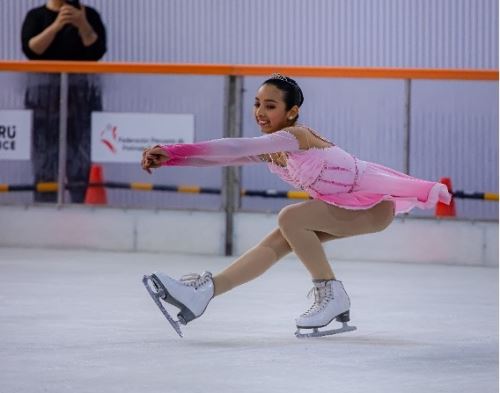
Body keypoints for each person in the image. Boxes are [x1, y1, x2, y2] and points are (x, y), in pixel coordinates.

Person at [140, 73, 451, 338]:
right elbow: (223, 157)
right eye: (257, 103)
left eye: (270, 106)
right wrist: (172, 158)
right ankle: (203, 294)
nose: (260, 112)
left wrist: (172, 148)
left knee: (290, 217)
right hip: (345, 207)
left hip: (372, 206)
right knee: (278, 240)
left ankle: (331, 293)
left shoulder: (295, 136)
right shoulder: (272, 148)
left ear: (292, 111)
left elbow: (235, 145)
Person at [21, 0, 107, 203]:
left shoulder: (89, 16)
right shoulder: (36, 16)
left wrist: (82, 24)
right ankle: (44, 212)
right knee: (45, 163)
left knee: (80, 163)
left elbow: (97, 51)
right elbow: (32, 50)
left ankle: (81, 212)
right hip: (44, 103)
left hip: (82, 102)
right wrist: (57, 25)